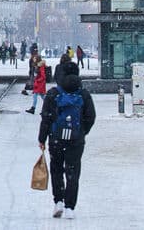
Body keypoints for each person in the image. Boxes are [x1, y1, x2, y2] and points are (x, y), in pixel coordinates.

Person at [39, 67, 96, 220]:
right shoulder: (83, 94)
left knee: (56, 169)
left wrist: (42, 138)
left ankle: (58, 201)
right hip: (75, 140)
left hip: (56, 138)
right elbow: (91, 116)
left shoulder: (53, 93)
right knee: (73, 171)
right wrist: (82, 132)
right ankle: (70, 207)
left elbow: (46, 117)